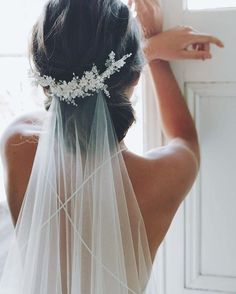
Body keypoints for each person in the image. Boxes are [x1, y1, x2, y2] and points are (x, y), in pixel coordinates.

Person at [0, 0, 224, 293]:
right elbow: (184, 138)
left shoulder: (16, 142)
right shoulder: (161, 180)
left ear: (44, 74)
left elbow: (74, 96)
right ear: (134, 75)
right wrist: (153, 54)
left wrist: (146, 51)